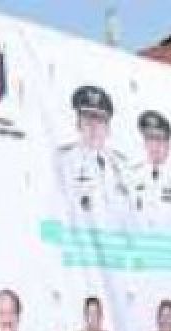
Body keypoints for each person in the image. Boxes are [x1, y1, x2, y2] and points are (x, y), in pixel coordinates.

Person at [55, 85, 130, 230]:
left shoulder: (121, 165)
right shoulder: (63, 161)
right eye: (88, 120)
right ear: (78, 124)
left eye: (100, 121)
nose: (94, 127)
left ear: (108, 128)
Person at [130, 110, 171, 234]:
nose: (154, 146)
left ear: (168, 144)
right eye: (149, 139)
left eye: (159, 139)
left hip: (170, 250)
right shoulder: (131, 176)